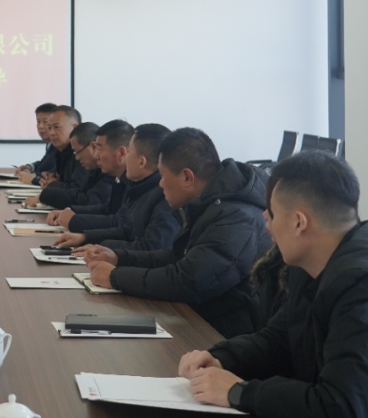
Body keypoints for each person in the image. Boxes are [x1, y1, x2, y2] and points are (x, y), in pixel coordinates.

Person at [180, 151, 368, 418]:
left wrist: (239, 392)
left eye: (272, 213)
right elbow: (281, 339)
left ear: (299, 222)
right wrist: (223, 358)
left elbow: (345, 415)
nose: (265, 220)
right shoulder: (314, 260)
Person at [82, 127, 270, 338]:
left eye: (163, 175)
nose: (160, 183)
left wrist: (115, 277)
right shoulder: (211, 202)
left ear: (187, 177)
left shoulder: (237, 218)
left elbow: (190, 281)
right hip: (197, 318)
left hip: (221, 333)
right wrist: (119, 257)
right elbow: (178, 257)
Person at [56, 123, 179, 254]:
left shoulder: (164, 196)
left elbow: (152, 248)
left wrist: (102, 248)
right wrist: (85, 237)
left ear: (142, 162)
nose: (126, 158)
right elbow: (127, 231)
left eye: (129, 151)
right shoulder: (141, 187)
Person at [23, 106, 86, 208]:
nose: (51, 133)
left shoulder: (82, 155)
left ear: (74, 128)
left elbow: (77, 192)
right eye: (49, 128)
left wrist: (53, 185)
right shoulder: (61, 152)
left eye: (56, 127)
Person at [16, 103, 58, 185]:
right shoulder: (50, 144)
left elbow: (51, 173)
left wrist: (33, 177)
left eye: (45, 122)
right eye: (38, 122)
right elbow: (44, 164)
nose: (40, 126)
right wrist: (30, 167)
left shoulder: (60, 146)